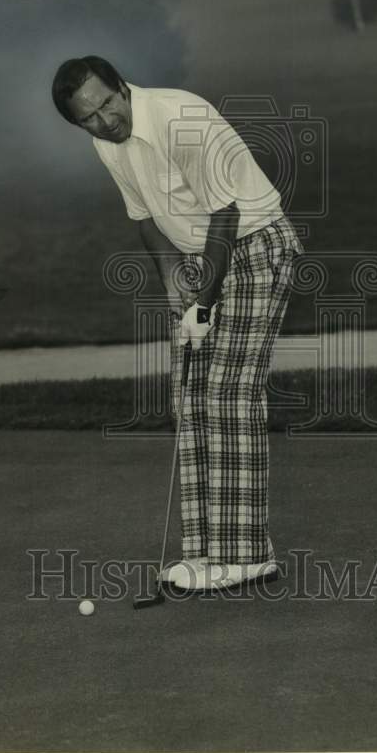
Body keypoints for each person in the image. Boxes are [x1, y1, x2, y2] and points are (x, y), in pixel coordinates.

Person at [51, 55, 304, 593]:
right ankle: (206, 553)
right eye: (89, 118)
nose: (105, 121)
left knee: (228, 392)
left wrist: (204, 305)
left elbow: (226, 214)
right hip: (201, 257)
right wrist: (173, 284)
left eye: (107, 104)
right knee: (190, 396)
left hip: (257, 247)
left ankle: (247, 555)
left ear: (122, 88)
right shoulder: (107, 145)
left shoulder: (178, 117)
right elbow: (143, 215)